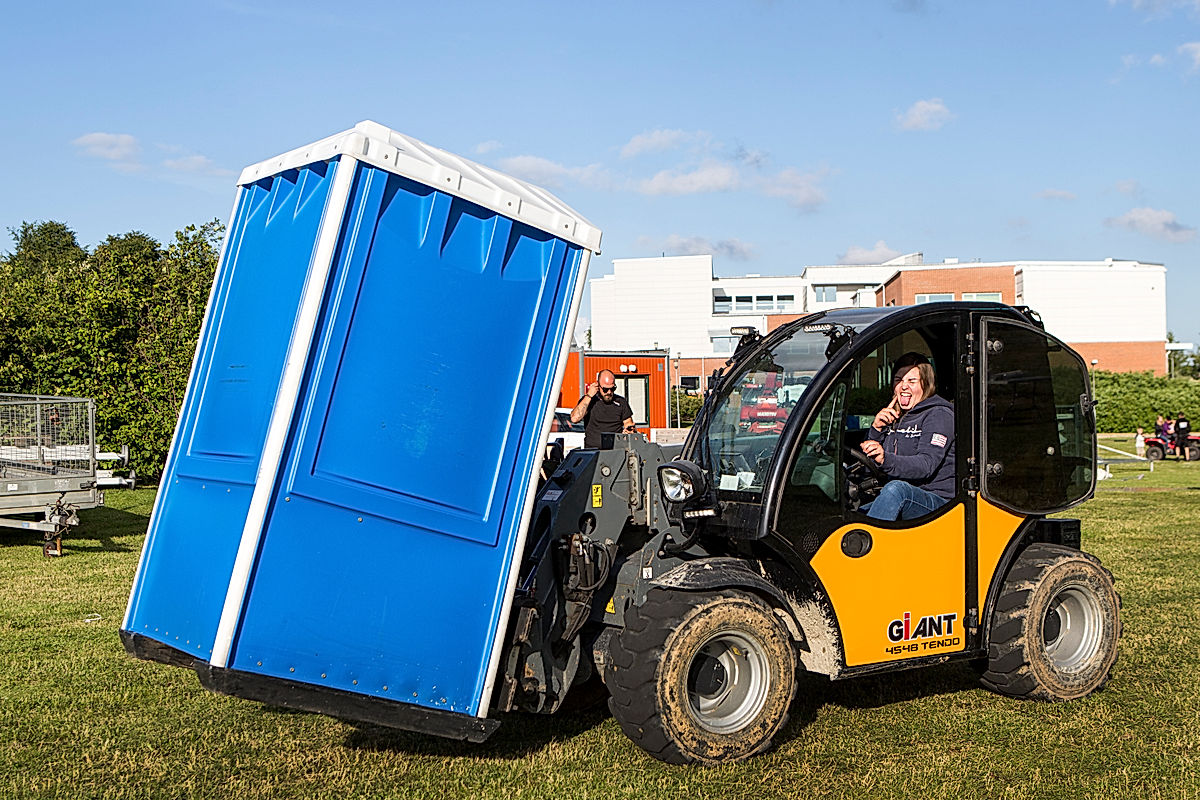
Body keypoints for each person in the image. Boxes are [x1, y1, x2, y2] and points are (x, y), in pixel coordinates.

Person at [859, 352, 956, 521]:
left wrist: (885, 459)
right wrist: (876, 430)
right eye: (899, 380)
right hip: (900, 496)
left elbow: (926, 464)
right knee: (850, 514)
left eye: (911, 381)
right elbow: (868, 469)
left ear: (926, 385)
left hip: (937, 501)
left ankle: (876, 545)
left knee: (895, 490)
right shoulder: (895, 418)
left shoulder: (939, 414)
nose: (903, 386)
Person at [570, 369, 636, 448]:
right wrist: (589, 395)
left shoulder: (620, 402)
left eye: (612, 389)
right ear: (598, 386)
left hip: (616, 451)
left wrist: (628, 430)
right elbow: (574, 419)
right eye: (605, 389)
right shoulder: (589, 401)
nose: (609, 392)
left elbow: (628, 423)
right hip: (593, 451)